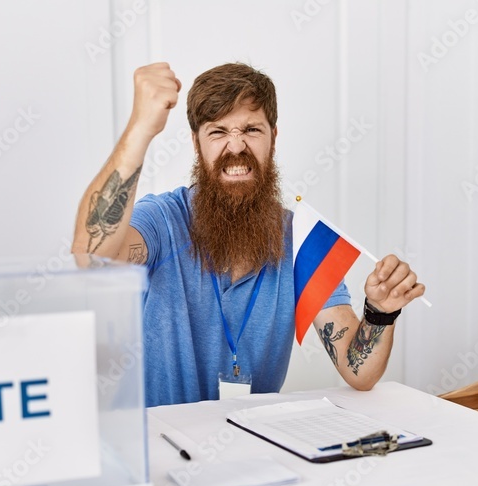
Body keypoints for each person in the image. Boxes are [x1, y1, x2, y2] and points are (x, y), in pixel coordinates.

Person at [72, 62, 425, 407]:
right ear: (196, 143)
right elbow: (92, 256)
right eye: (218, 132)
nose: (237, 146)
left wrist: (379, 312)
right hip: (158, 446)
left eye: (252, 130)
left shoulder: (301, 240)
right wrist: (141, 128)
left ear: (274, 136)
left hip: (249, 447)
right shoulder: (163, 219)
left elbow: (358, 372)